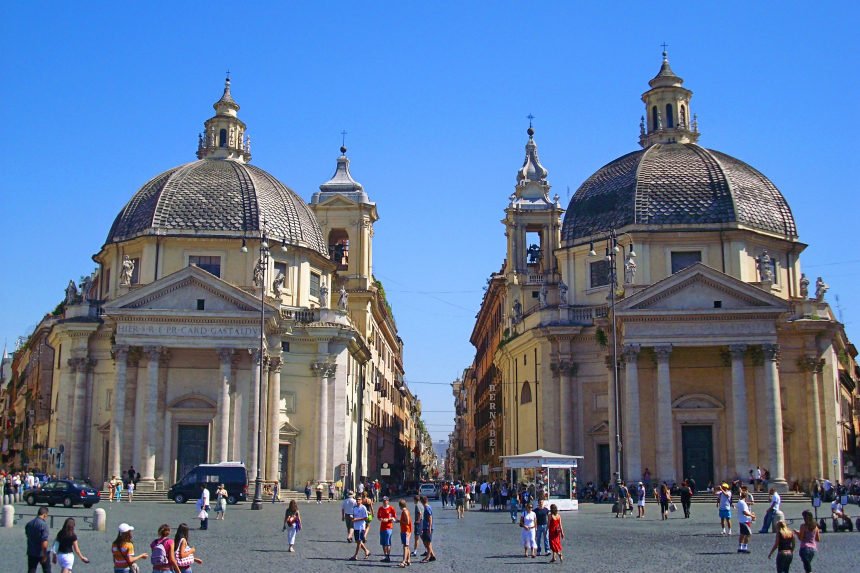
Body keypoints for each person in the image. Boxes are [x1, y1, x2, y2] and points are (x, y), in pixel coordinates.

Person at [25, 506, 51, 573]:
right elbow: (44, 541)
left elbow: (28, 535)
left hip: (31, 551)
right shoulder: (44, 525)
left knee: (31, 570)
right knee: (47, 570)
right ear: (45, 514)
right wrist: (45, 554)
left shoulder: (29, 524)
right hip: (41, 552)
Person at [351, 493, 371, 560]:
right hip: (355, 526)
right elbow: (354, 515)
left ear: (361, 501)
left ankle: (355, 555)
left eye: (359, 500)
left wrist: (357, 519)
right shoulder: (354, 507)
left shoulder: (363, 508)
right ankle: (367, 551)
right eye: (357, 500)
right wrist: (352, 517)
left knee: (359, 541)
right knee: (357, 541)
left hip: (361, 526)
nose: (358, 501)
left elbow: (366, 517)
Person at [736, 486, 756, 554]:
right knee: (749, 534)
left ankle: (740, 547)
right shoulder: (743, 503)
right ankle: (744, 547)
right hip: (745, 521)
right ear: (746, 497)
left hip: (741, 520)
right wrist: (751, 515)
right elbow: (744, 512)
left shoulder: (739, 502)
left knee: (742, 534)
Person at [377, 496, 397, 562]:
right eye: (383, 500)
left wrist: (388, 519)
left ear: (388, 501)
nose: (384, 502)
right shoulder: (380, 508)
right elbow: (378, 517)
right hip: (382, 527)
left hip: (389, 527)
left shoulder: (391, 508)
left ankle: (388, 555)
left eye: (385, 500)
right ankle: (385, 555)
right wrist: (381, 519)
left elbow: (394, 517)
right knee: (383, 542)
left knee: (388, 541)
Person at [420, 496, 436, 563]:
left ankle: (428, 557)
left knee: (428, 543)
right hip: (426, 527)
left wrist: (429, 527)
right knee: (427, 541)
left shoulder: (427, 508)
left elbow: (430, 517)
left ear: (422, 502)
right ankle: (432, 556)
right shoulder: (427, 507)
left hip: (427, 527)